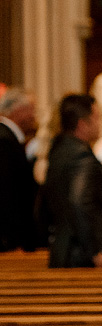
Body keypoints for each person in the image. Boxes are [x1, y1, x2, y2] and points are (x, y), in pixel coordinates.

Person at [39, 94, 102, 268]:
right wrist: (94, 251)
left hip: (62, 248)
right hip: (79, 254)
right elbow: (78, 202)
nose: (99, 123)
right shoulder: (81, 156)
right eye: (96, 118)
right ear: (82, 124)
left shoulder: (58, 151)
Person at [0, 87, 41, 252]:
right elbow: (6, 193)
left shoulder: (9, 137)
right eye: (31, 110)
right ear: (18, 110)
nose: (34, 116)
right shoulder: (4, 140)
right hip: (9, 240)